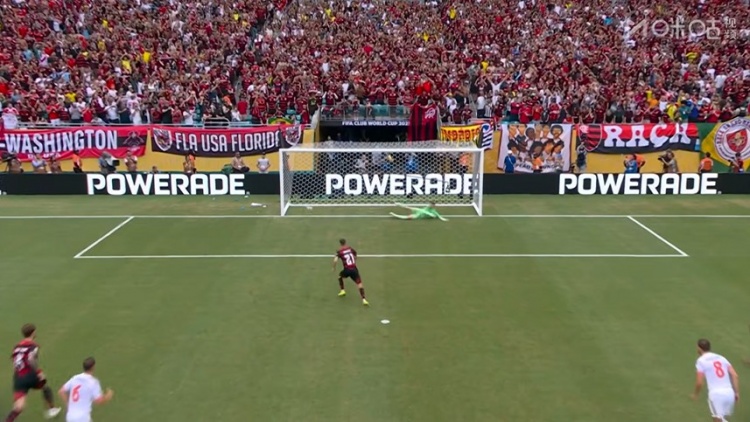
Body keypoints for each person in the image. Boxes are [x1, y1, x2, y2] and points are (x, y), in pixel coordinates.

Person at [6, 324, 61, 421]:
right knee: (45, 386)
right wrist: (38, 372)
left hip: (19, 378)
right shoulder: (33, 346)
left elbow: (14, 360)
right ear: (33, 333)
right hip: (30, 374)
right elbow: (31, 359)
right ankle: (51, 409)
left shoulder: (17, 347)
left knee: (19, 406)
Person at [692, 338, 739, 422]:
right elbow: (735, 375)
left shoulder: (701, 361)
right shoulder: (721, 358)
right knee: (724, 418)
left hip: (716, 394)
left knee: (717, 420)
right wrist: (736, 393)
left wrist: (696, 394)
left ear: (699, 348)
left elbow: (699, 382)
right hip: (729, 393)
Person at [59, 357, 114, 422]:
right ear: (93, 367)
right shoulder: (93, 382)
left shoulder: (75, 378)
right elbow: (99, 401)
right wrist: (108, 396)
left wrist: (69, 405)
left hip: (70, 416)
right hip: (83, 418)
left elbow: (61, 391)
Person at [333, 239, 368, 306]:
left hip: (347, 270)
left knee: (340, 276)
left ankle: (342, 290)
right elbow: (355, 254)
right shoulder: (350, 248)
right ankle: (364, 299)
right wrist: (355, 259)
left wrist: (333, 268)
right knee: (359, 284)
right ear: (345, 243)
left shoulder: (339, 251)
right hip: (354, 269)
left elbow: (335, 260)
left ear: (340, 243)